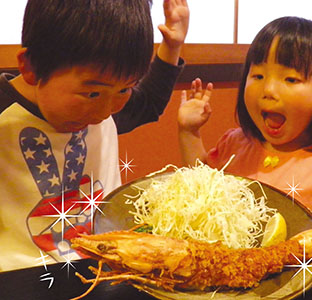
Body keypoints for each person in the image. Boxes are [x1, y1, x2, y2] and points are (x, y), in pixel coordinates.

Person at [0, 0, 189, 271]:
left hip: (109, 269)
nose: (105, 112)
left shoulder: (104, 102)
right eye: (92, 93)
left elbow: (149, 102)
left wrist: (171, 48)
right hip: (21, 280)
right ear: (31, 67)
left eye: (125, 89)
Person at [178, 17, 312, 225]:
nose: (269, 89)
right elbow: (200, 187)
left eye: (291, 79)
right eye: (258, 76)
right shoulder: (235, 143)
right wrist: (189, 132)